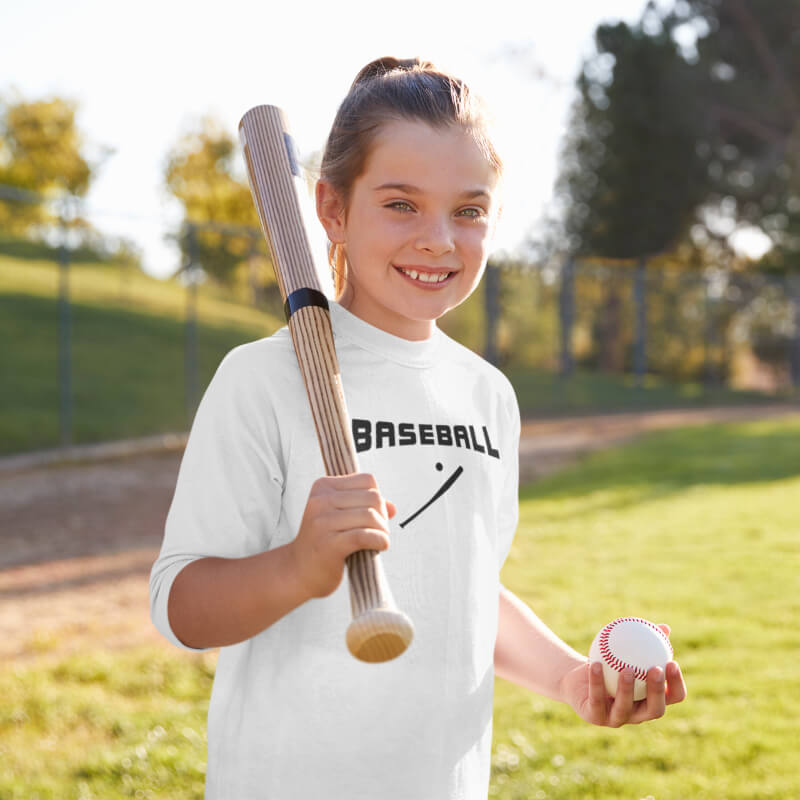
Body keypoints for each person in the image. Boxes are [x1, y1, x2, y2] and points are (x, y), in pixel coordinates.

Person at [150, 56, 686, 800]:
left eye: (468, 211)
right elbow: (183, 607)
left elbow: (469, 588)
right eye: (401, 204)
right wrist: (300, 566)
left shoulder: (486, 394)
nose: (439, 238)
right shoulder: (263, 378)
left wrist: (569, 676)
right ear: (331, 210)